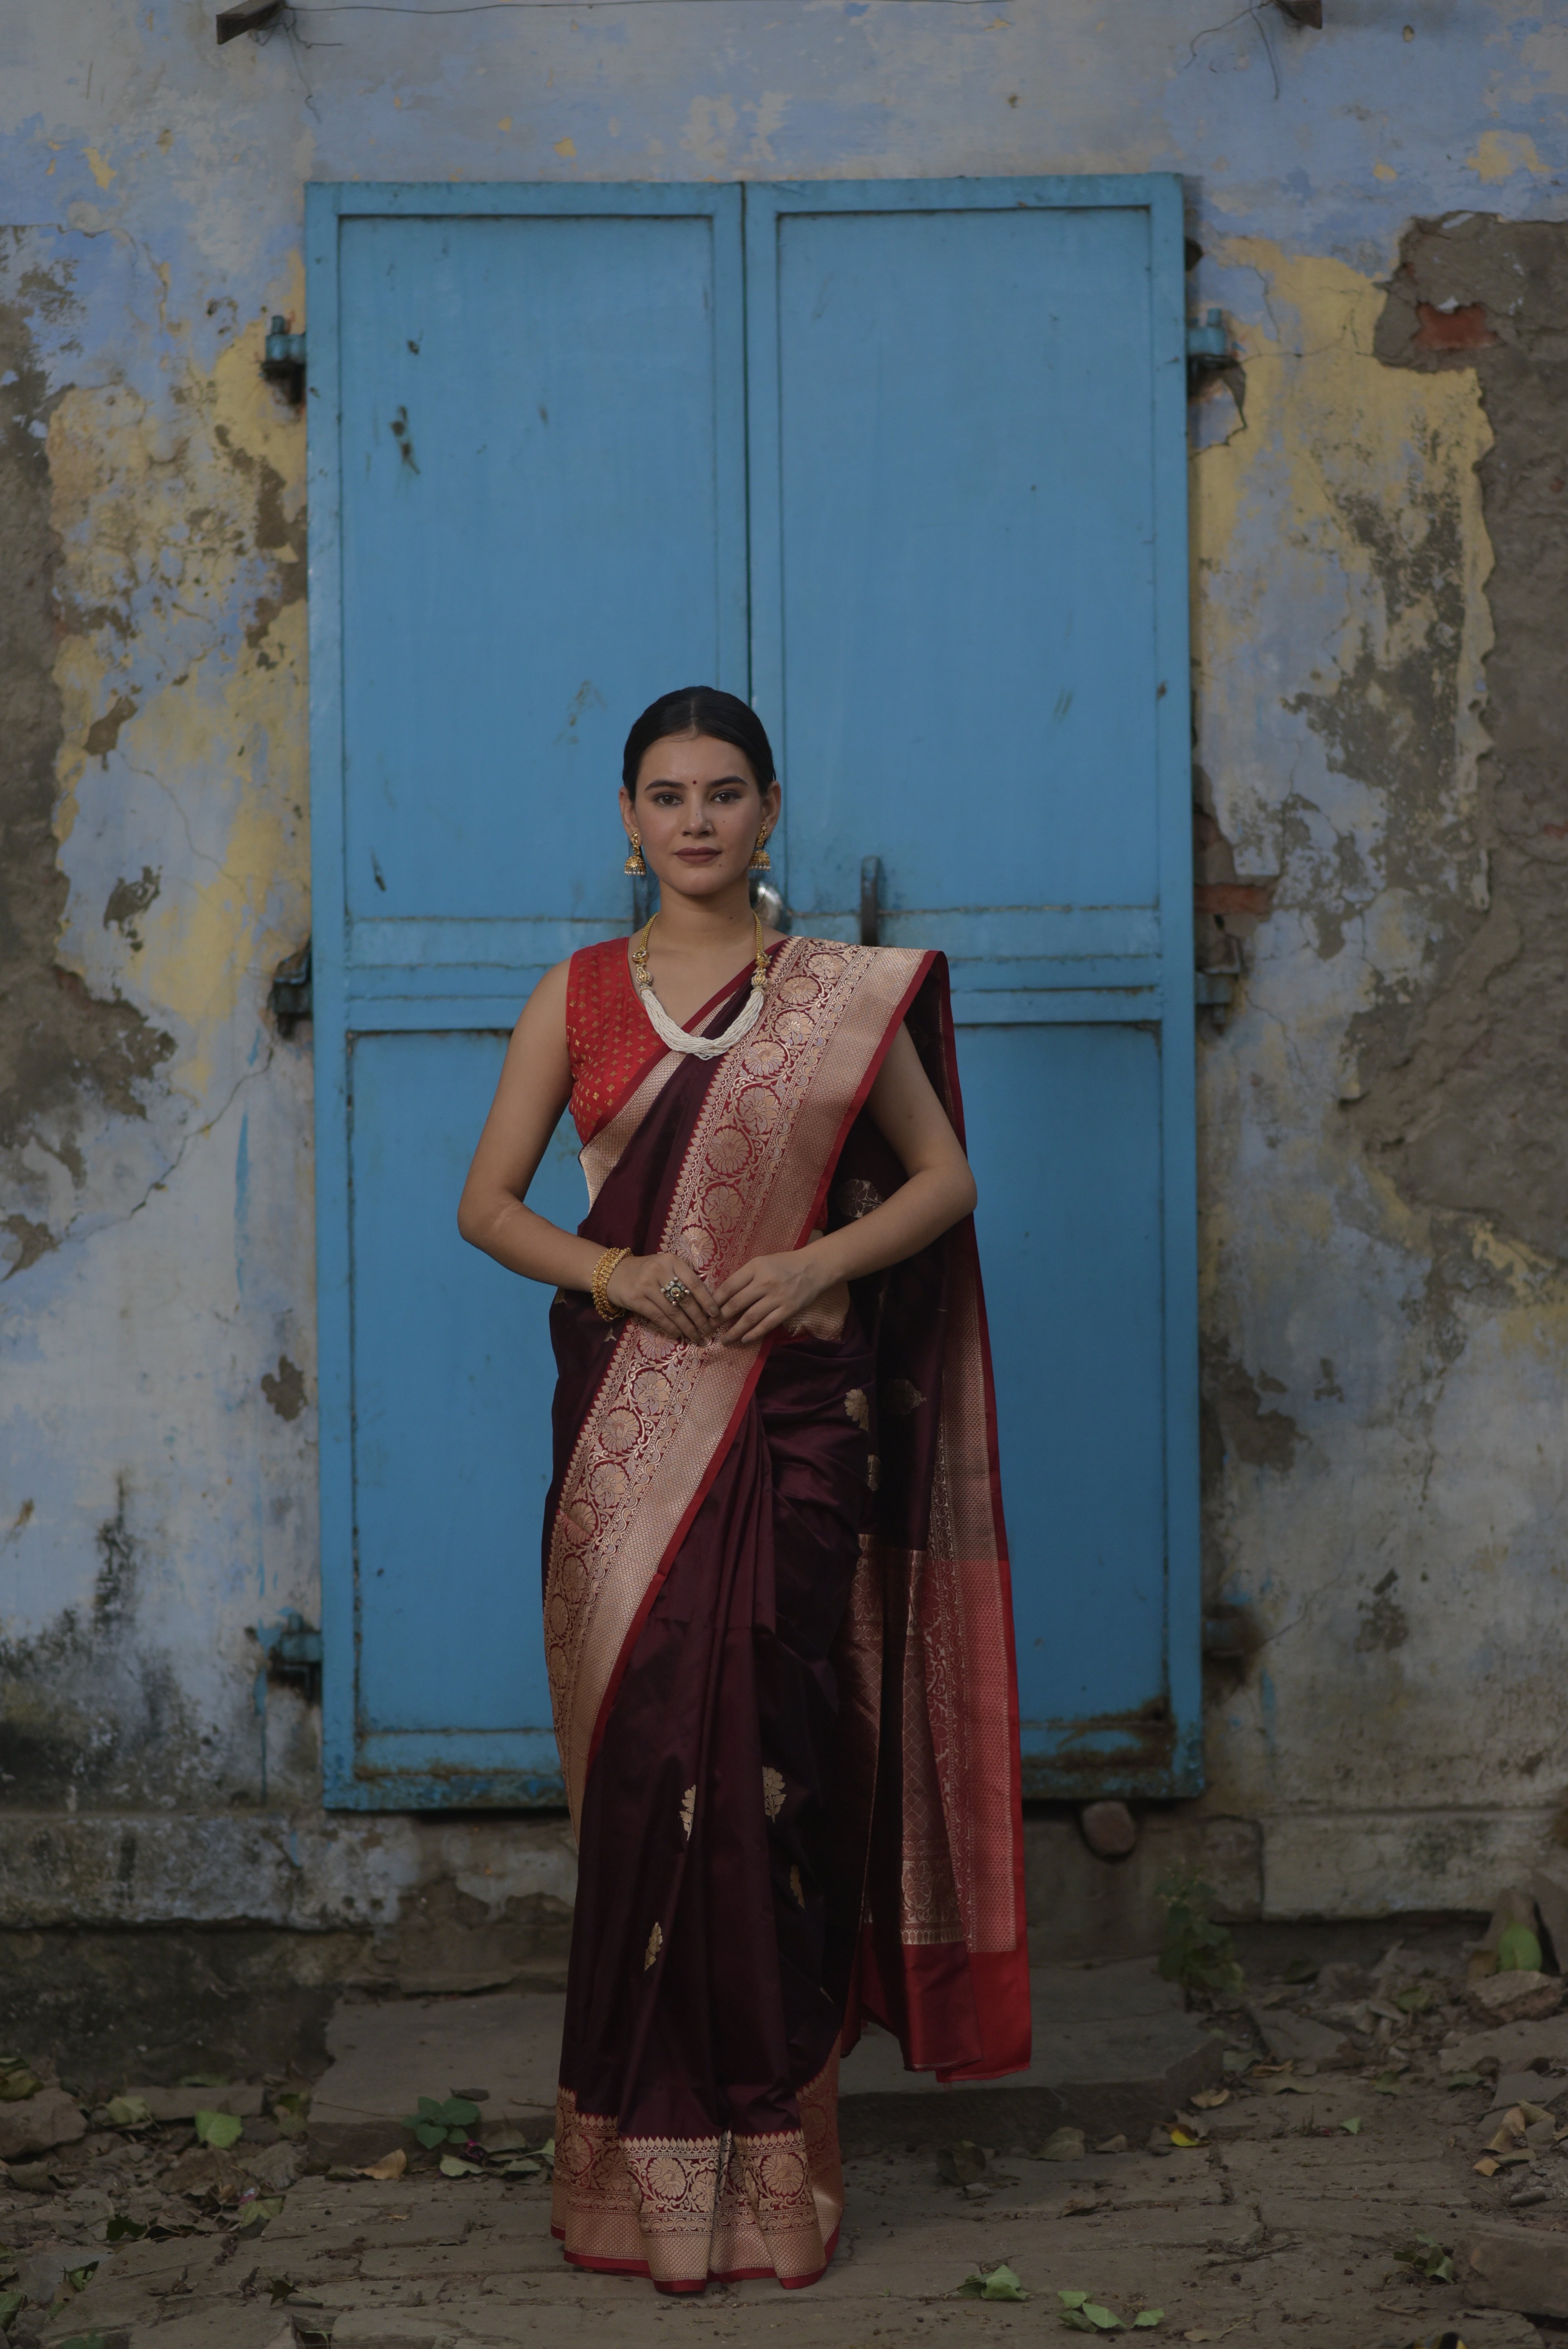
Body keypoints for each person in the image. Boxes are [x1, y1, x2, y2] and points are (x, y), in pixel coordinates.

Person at [458, 685, 1029, 2295]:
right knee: (649, 1777)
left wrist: (811, 1267)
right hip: (630, 1436)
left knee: (776, 1760)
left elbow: (942, 1180)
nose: (696, 818)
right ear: (629, 821)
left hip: (791, 1423)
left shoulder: (835, 997)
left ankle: (780, 2174)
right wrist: (618, 1271)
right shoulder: (573, 999)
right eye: (667, 793)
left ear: (770, 813)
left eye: (725, 792)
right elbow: (487, 1206)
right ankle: (630, 2178)